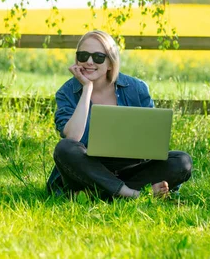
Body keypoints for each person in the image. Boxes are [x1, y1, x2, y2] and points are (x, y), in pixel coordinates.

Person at [46, 30, 192, 199]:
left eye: (98, 57)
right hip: (88, 168)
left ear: (110, 63)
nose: (89, 62)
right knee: (64, 148)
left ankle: (98, 193)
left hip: (131, 168)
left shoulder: (136, 88)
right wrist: (86, 89)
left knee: (182, 161)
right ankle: (131, 193)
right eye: (83, 55)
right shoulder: (66, 92)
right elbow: (73, 137)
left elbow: (152, 141)